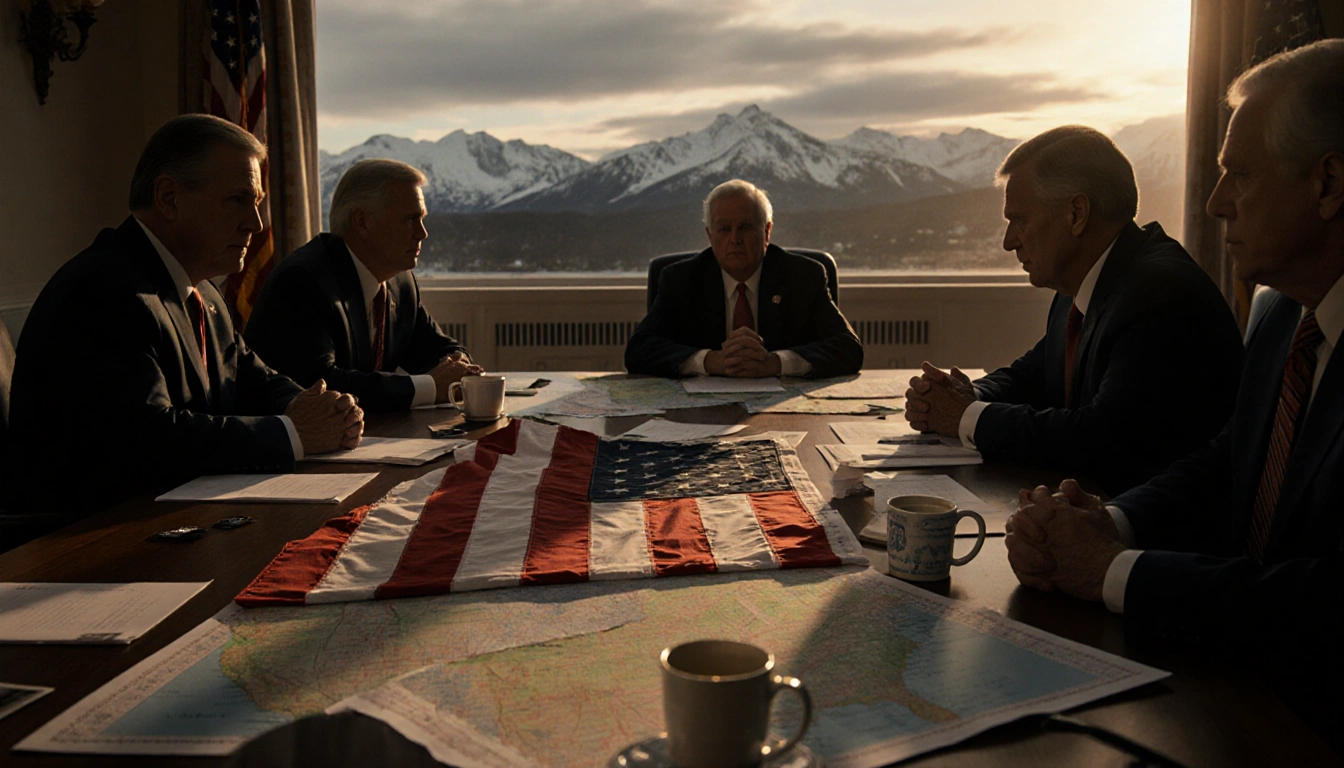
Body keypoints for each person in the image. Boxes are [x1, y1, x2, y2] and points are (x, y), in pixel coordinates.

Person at [1004, 40, 1344, 752]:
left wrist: (1113, 571)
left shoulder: (1163, 289)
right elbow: (1228, 460)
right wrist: (1113, 523)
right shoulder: (1286, 312)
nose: (1216, 204)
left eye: (1239, 176)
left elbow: (1330, 604)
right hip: (1235, 670)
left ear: (1328, 184)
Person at [4, 115, 362, 548]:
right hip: (90, 544)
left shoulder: (204, 293)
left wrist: (321, 408)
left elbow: (255, 381)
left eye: (258, 201)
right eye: (238, 199)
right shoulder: (105, 288)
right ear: (170, 198)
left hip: (173, 521)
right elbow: (149, 438)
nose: (255, 222)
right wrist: (294, 432)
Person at [904, 127, 1242, 496]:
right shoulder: (1085, 281)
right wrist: (963, 393)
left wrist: (965, 416)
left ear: (1076, 214)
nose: (1008, 241)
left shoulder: (1160, 293)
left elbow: (1101, 439)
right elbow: (1034, 376)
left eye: (1020, 220)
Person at [245, 160, 477, 412]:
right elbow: (320, 386)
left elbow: (437, 349)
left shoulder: (400, 282)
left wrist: (457, 366)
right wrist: (431, 387)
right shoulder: (303, 281)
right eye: (411, 219)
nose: (423, 233)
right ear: (361, 222)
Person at [624, 179, 862, 379]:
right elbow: (638, 350)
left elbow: (848, 348)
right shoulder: (681, 280)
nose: (735, 239)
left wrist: (775, 363)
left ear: (767, 231)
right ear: (709, 235)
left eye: (745, 227)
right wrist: (709, 361)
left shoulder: (803, 276)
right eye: (724, 228)